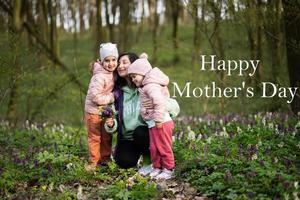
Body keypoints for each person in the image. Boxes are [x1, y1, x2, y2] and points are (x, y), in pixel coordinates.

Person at [127, 55, 175, 180]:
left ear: (143, 73)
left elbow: (159, 102)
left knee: (163, 146)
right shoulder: (144, 87)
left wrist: (158, 119)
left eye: (134, 76)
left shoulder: (151, 86)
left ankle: (169, 169)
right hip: (153, 123)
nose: (133, 80)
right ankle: (157, 167)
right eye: (131, 78)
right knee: (154, 147)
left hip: (161, 121)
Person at [104, 52, 152, 171]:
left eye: (125, 62)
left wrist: (162, 106)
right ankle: (134, 155)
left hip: (145, 134)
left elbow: (173, 106)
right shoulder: (117, 92)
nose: (120, 66)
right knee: (124, 161)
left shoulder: (147, 86)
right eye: (119, 63)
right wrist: (111, 124)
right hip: (127, 137)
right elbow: (113, 116)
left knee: (140, 132)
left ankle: (148, 160)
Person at [84, 42, 118, 171]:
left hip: (105, 112)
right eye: (107, 60)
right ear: (101, 62)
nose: (111, 64)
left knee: (106, 136)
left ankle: (105, 159)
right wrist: (112, 97)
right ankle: (94, 162)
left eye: (113, 60)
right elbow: (95, 97)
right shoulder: (98, 76)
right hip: (93, 112)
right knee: (95, 137)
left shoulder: (112, 74)